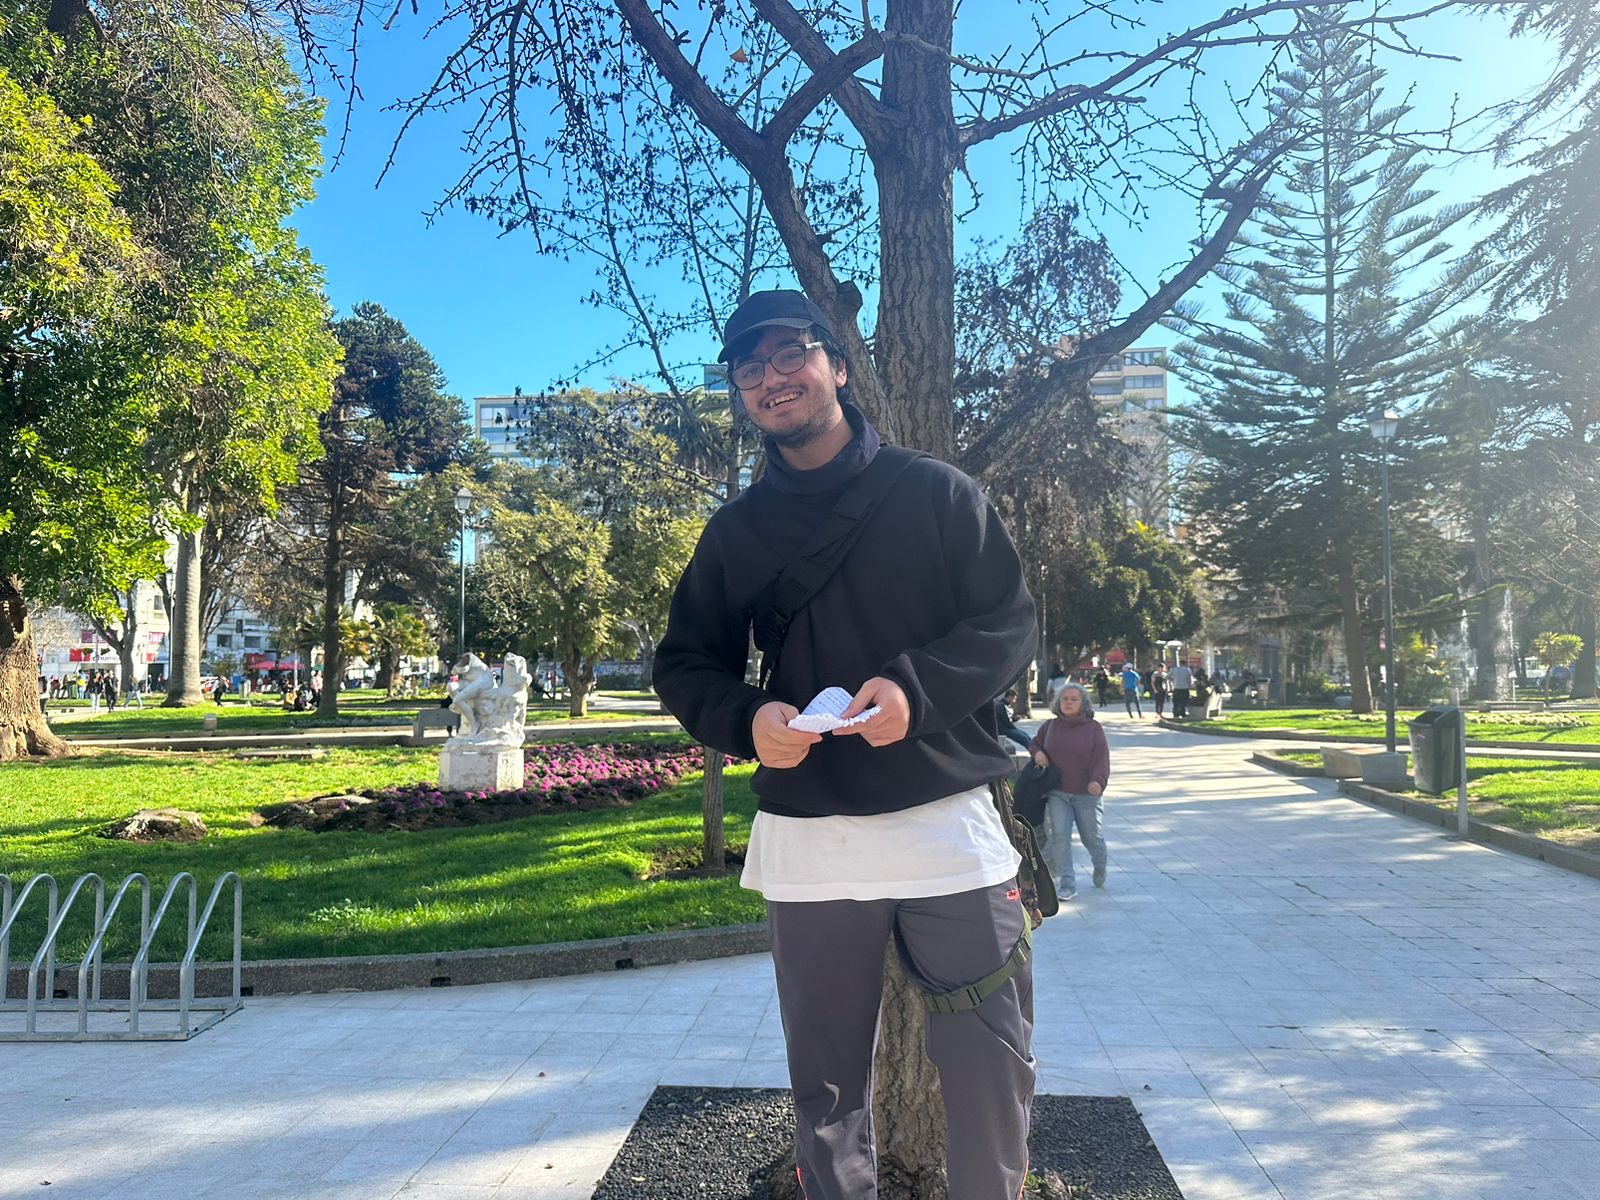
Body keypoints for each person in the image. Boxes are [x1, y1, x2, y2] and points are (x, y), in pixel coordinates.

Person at [654, 288, 1038, 1200]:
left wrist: (915, 691)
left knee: (994, 1066)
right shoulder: (736, 533)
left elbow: (1009, 623)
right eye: (749, 368)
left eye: (789, 354)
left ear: (836, 363)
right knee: (825, 1090)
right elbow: (685, 663)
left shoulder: (937, 493)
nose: (771, 379)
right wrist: (748, 719)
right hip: (810, 837)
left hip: (948, 822)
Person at [1027, 682, 1110, 903]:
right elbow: (1034, 743)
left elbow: (1101, 759)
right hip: (1058, 793)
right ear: (1058, 702)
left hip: (1087, 795)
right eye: (1065, 699)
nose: (1068, 703)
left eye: (1074, 699)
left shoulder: (1093, 728)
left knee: (1092, 839)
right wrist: (1038, 753)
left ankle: (1100, 864)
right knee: (1059, 838)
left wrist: (1098, 781)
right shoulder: (1050, 726)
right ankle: (1067, 884)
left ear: (1083, 703)